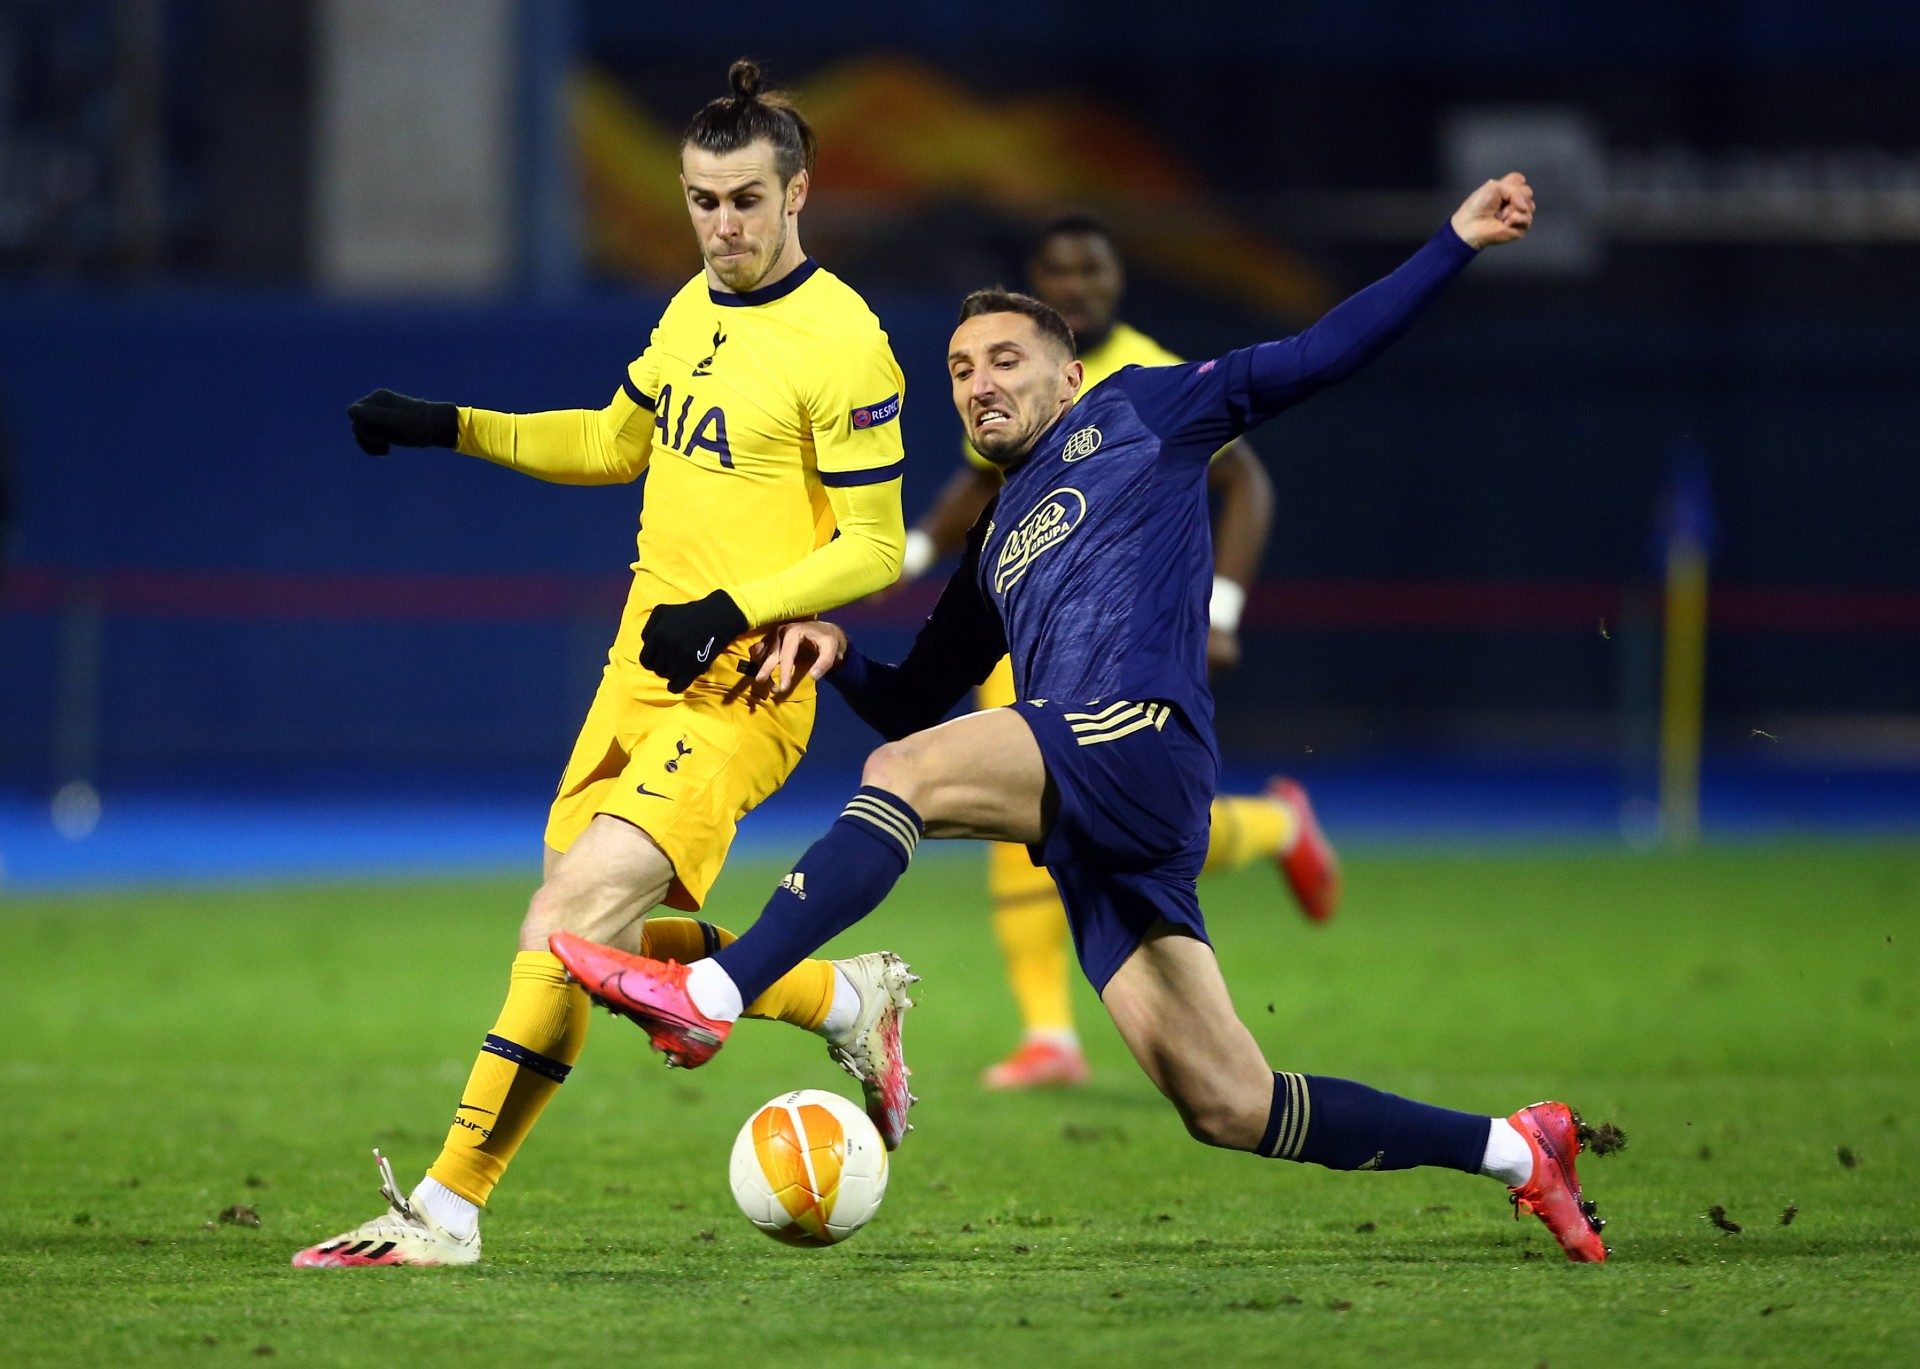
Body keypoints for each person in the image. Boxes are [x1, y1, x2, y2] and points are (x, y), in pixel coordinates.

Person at [555, 174, 1619, 1263]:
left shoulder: (1148, 410)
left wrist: (1452, 240)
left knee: (910, 780)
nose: (978, 384)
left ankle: (716, 994)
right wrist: (834, 656)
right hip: (1095, 824)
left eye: (1006, 360)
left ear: (1071, 374)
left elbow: (1321, 351)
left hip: (1137, 738)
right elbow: (912, 698)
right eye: (961, 371)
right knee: (1229, 1101)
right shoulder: (998, 538)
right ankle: (1519, 1149)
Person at [293, 60, 920, 1269]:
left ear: (799, 194)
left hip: (742, 692)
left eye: (744, 200)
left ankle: (446, 1209)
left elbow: (875, 546)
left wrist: (736, 604)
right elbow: (615, 441)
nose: (721, 225)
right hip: (637, 676)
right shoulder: (692, 306)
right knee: (602, 953)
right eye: (700, 199)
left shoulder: (846, 341)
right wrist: (449, 425)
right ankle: (842, 999)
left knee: (564, 918)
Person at [899, 213, 1338, 1090]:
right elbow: (978, 488)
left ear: (1116, 282)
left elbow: (1245, 479)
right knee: (1031, 821)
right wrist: (910, 555)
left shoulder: (1145, 369)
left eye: (1092, 272)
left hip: (1121, 630)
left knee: (1126, 825)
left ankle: (1277, 824)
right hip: (1032, 624)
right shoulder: (1010, 360)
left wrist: (1221, 608)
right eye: (1059, 272)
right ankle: (1050, 1035)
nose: (1077, 287)